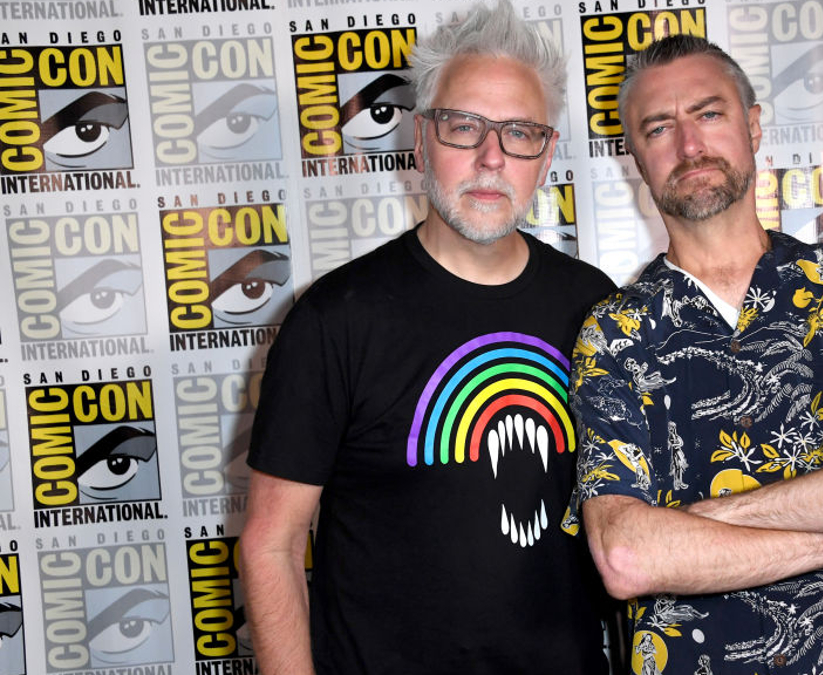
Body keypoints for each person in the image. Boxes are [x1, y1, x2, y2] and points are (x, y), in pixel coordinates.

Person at [568, 35, 823, 674]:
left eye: (708, 113)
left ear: (753, 126)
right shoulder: (614, 335)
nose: (689, 144)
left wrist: (698, 524)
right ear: (636, 159)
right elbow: (630, 557)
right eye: (658, 128)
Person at [240, 2, 616, 673]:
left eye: (520, 132)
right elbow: (271, 545)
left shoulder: (595, 305)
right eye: (464, 125)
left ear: (547, 151)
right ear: (421, 139)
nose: (491, 156)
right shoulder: (335, 320)